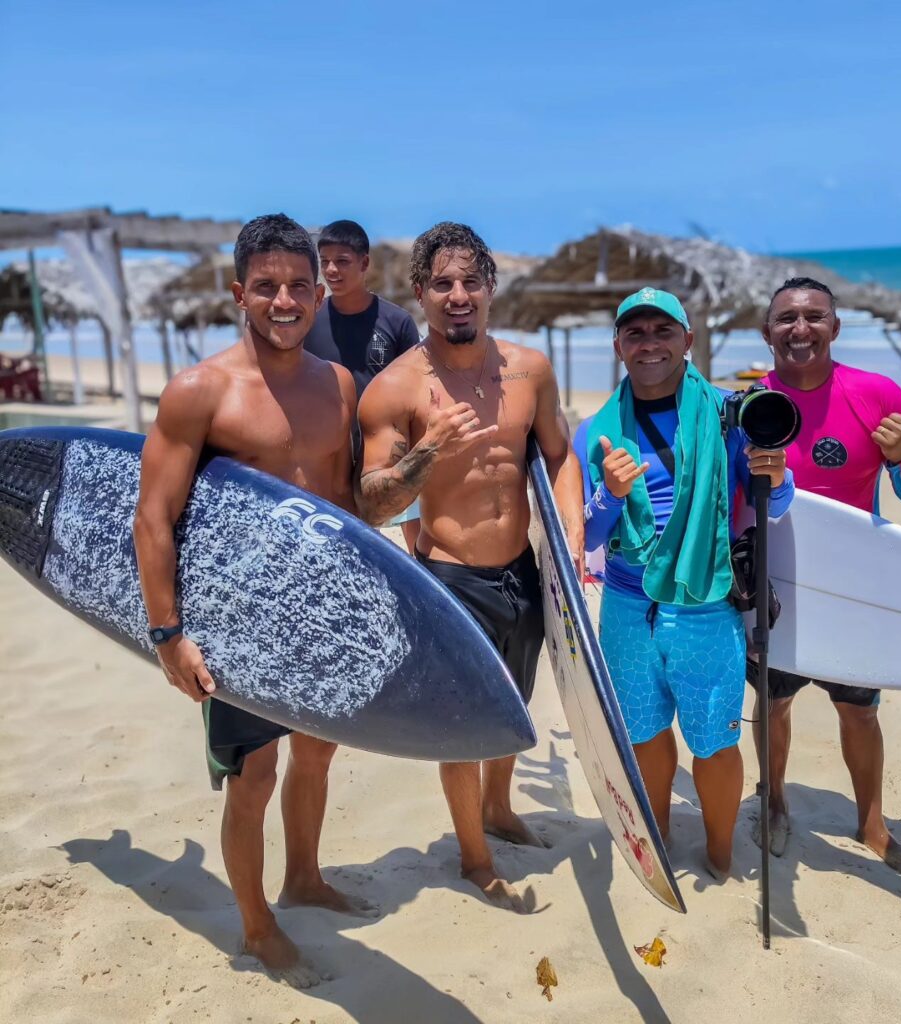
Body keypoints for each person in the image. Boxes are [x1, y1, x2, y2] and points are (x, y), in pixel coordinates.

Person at [133, 214, 374, 989]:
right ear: (239, 292)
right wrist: (169, 634)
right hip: (237, 620)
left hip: (319, 611)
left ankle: (303, 876)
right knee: (254, 776)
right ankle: (256, 925)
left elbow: (343, 506)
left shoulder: (338, 386)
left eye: (300, 286)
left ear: (320, 293)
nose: (284, 301)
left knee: (318, 752)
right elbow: (153, 517)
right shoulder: (200, 391)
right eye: (266, 286)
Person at [356, 221, 584, 912]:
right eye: (442, 284)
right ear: (420, 293)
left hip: (521, 568)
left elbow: (558, 455)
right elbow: (371, 502)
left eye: (470, 281)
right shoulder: (392, 391)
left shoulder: (530, 370)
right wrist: (428, 452)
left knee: (513, 705)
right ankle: (474, 857)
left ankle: (500, 808)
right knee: (462, 724)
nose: (458, 295)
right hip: (449, 578)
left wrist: (570, 535)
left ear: (490, 288)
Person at [575, 287, 793, 880]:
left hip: (705, 606)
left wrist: (774, 471)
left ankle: (720, 853)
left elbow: (779, 498)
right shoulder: (594, 431)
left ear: (688, 341)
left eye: (662, 331)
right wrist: (609, 493)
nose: (649, 344)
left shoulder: (731, 412)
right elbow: (587, 533)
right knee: (644, 733)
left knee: (714, 742)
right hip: (626, 603)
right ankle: (660, 841)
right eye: (635, 333)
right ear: (619, 346)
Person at [752, 276, 901, 875]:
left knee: (860, 710)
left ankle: (871, 820)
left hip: (855, 588)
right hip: (777, 582)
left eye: (812, 317)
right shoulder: (751, 403)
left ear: (835, 327)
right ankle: (774, 803)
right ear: (767, 331)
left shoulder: (875, 393)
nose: (799, 328)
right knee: (774, 706)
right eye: (786, 318)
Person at [304, 218, 422, 552]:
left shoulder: (396, 322)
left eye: (342, 261)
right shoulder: (309, 321)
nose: (331, 270)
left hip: (389, 449)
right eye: (324, 261)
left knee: (413, 544)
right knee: (348, 544)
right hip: (331, 450)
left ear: (364, 263)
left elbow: (417, 387)